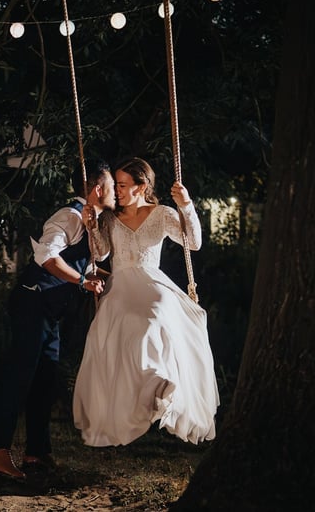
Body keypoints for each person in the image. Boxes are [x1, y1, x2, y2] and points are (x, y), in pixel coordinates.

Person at [0, 158, 115, 479]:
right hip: (33, 301)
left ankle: (36, 452)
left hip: (49, 309)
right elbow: (46, 257)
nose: (116, 193)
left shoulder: (88, 221)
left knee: (46, 378)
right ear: (98, 189)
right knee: (21, 376)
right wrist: (81, 281)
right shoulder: (69, 216)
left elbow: (91, 260)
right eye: (112, 186)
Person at [73, 157, 219, 447]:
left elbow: (193, 242)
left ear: (141, 187)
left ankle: (159, 381)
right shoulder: (110, 218)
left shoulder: (162, 213)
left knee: (154, 318)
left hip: (152, 283)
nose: (116, 190)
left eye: (122, 185)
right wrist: (92, 227)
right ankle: (144, 391)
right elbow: (100, 254)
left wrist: (186, 206)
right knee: (124, 323)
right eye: (116, 185)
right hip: (121, 285)